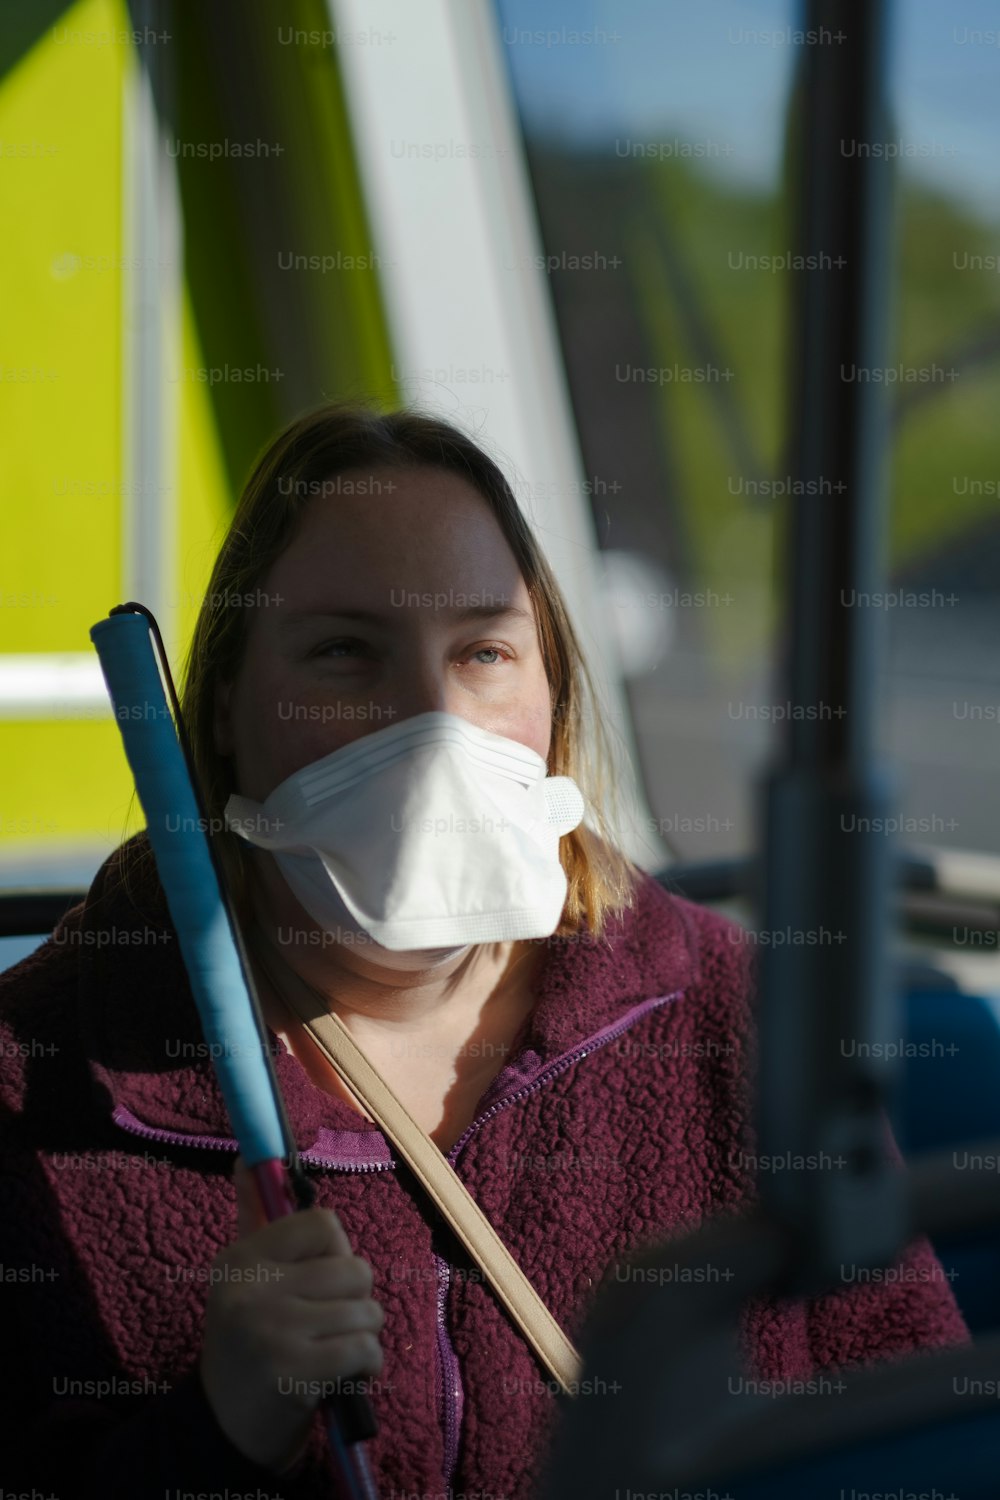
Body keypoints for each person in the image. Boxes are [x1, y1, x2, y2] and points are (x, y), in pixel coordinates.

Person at [0, 403, 969, 1500]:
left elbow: (911, 1428)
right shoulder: (38, 1078)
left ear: (551, 694)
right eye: (344, 653)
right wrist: (221, 1429)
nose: (430, 720)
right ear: (226, 708)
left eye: (482, 651)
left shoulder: (725, 1010)